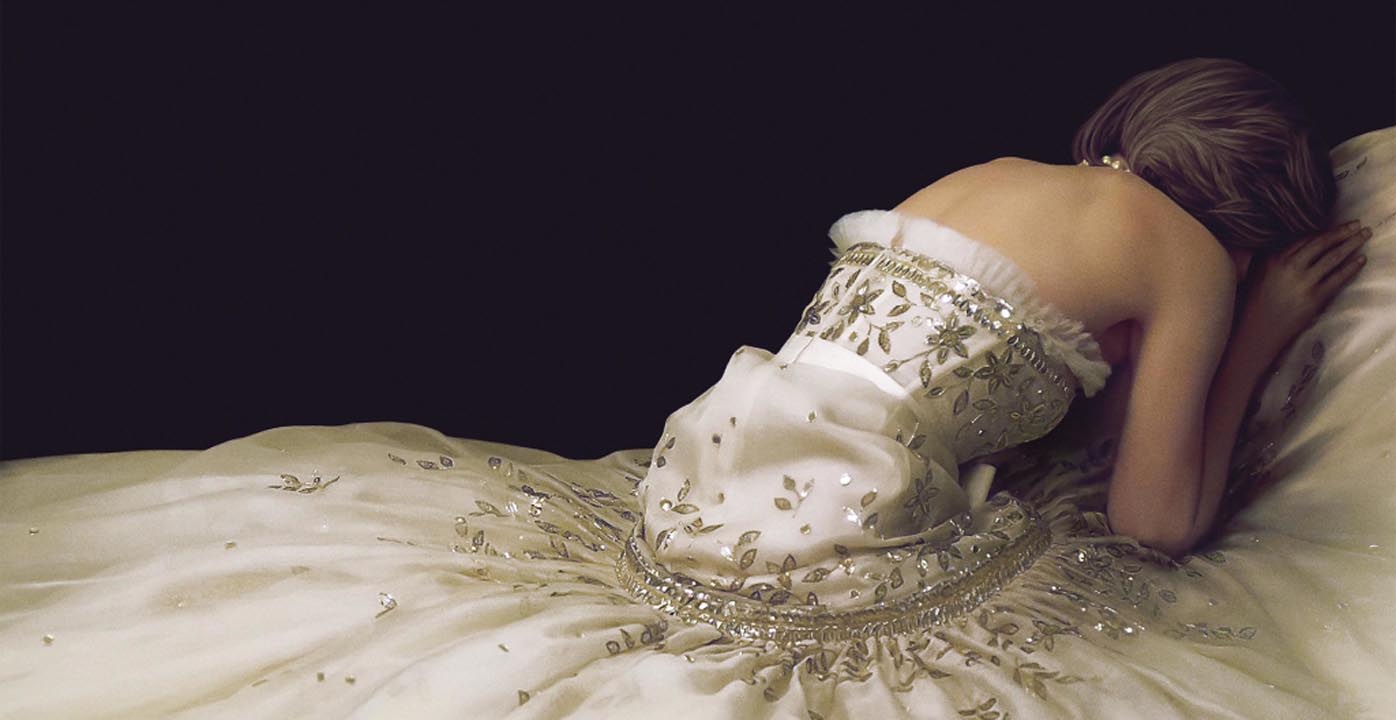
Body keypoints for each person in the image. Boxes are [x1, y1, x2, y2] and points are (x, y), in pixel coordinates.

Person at [0, 57, 1372, 718]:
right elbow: (1155, 520)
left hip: (709, 462)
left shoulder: (992, 176)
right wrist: (1256, 332)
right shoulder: (1191, 257)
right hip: (842, 532)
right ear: (1249, 208)